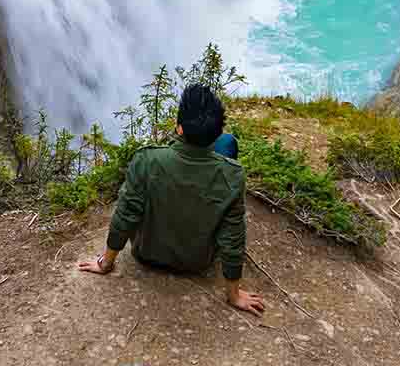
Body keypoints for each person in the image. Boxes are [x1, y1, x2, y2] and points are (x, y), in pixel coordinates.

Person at [77, 84, 267, 316]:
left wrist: (105, 263)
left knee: (205, 150)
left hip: (145, 254)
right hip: (197, 262)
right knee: (229, 143)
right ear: (215, 132)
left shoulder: (145, 160)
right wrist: (234, 295)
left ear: (178, 128)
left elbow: (126, 214)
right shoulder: (233, 174)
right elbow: (232, 238)